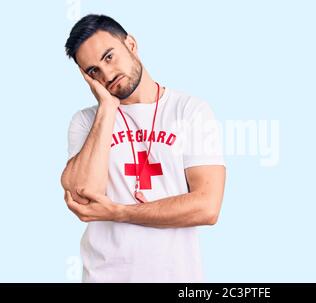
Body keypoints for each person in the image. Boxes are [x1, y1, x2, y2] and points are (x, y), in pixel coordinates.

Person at [60, 14, 226, 283]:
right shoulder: (86, 121)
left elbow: (207, 207)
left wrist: (120, 213)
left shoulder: (189, 110)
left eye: (109, 57)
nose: (107, 74)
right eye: (93, 72)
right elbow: (83, 197)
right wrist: (107, 108)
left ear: (132, 44)